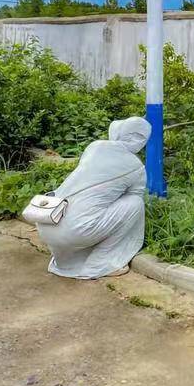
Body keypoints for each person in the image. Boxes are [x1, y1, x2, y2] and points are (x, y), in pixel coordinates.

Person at [37, 117, 151, 279]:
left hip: (48, 221)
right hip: (75, 231)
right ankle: (100, 264)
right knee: (135, 204)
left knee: (86, 208)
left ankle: (65, 264)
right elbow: (132, 199)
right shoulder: (136, 167)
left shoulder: (94, 147)